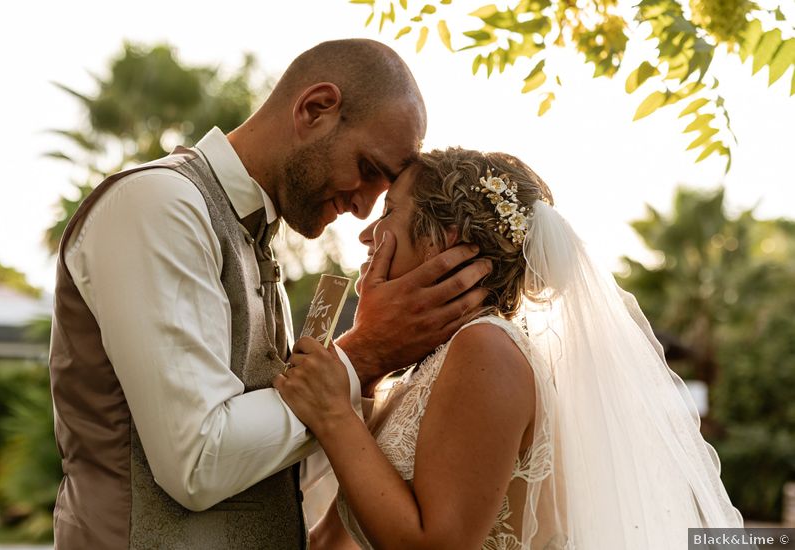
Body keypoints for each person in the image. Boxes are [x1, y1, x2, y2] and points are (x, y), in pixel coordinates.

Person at [48, 40, 492, 549]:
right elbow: (196, 463)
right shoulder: (159, 204)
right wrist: (363, 354)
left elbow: (275, 462)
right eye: (368, 169)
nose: (366, 207)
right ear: (315, 108)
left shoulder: (254, 237)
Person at [275, 147, 745, 549]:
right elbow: (331, 540)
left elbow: (436, 545)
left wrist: (335, 414)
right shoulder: (422, 368)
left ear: (447, 239)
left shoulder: (487, 349)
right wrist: (367, 363)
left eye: (390, 212)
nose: (366, 235)